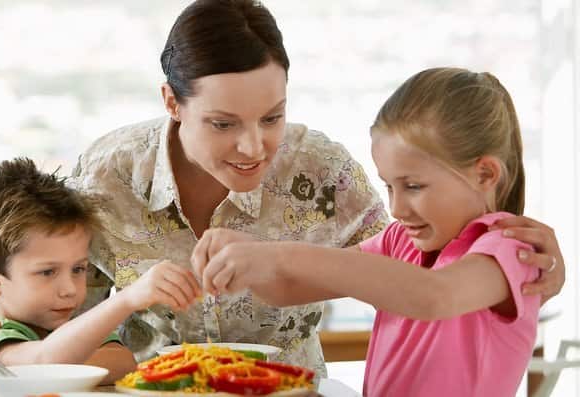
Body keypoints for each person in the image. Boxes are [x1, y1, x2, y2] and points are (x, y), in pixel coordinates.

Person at [0, 0, 566, 390]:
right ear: (172, 103)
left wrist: (551, 273)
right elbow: (41, 295)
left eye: (272, 117)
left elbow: (430, 271)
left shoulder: (324, 171)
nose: (253, 147)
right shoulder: (103, 178)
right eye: (223, 123)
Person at [192, 67, 554, 396]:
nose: (396, 208)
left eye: (413, 186)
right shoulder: (400, 241)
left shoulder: (510, 250)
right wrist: (249, 257)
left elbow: (434, 297)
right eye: (389, 187)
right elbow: (288, 288)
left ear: (485, 175)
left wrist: (277, 255)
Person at [0, 158, 200, 395]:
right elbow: (45, 360)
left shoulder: (76, 326)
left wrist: (43, 368)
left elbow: (123, 361)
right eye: (47, 272)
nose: (70, 289)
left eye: (78, 269)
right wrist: (127, 299)